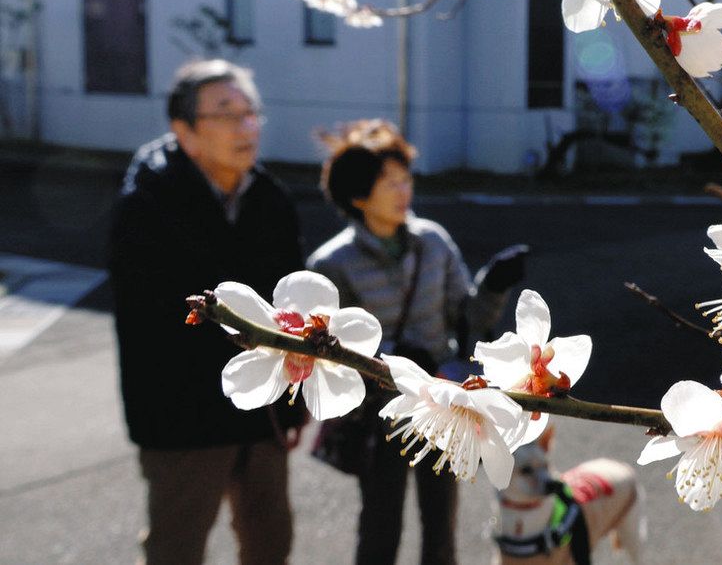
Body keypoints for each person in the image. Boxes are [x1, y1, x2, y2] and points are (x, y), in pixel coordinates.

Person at [109, 59, 306, 565]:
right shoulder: (147, 204)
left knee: (270, 540)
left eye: (251, 112)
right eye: (226, 113)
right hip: (181, 415)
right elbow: (151, 320)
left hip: (261, 411)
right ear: (186, 132)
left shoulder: (270, 199)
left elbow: (295, 305)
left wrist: (295, 398)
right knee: (177, 546)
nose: (246, 126)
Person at [308, 119, 526, 565]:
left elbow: (466, 320)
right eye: (389, 184)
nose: (403, 191)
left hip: (445, 408)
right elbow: (329, 354)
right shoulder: (332, 264)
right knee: (380, 525)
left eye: (405, 180)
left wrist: (494, 285)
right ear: (358, 196)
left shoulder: (433, 243)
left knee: (440, 526)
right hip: (380, 414)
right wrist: (392, 365)